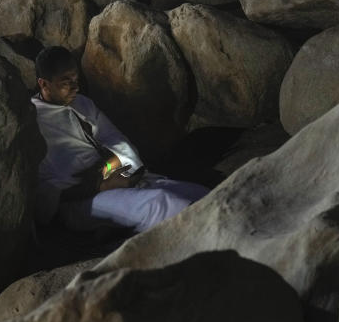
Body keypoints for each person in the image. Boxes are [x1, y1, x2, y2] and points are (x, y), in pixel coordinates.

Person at [32, 46, 208, 233]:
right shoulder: (33, 120)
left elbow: (114, 139)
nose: (76, 87)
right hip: (82, 200)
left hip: (115, 177)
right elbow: (47, 192)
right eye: (66, 82)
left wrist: (117, 168)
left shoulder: (83, 103)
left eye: (76, 79)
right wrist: (100, 186)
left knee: (201, 195)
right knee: (161, 204)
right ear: (44, 84)